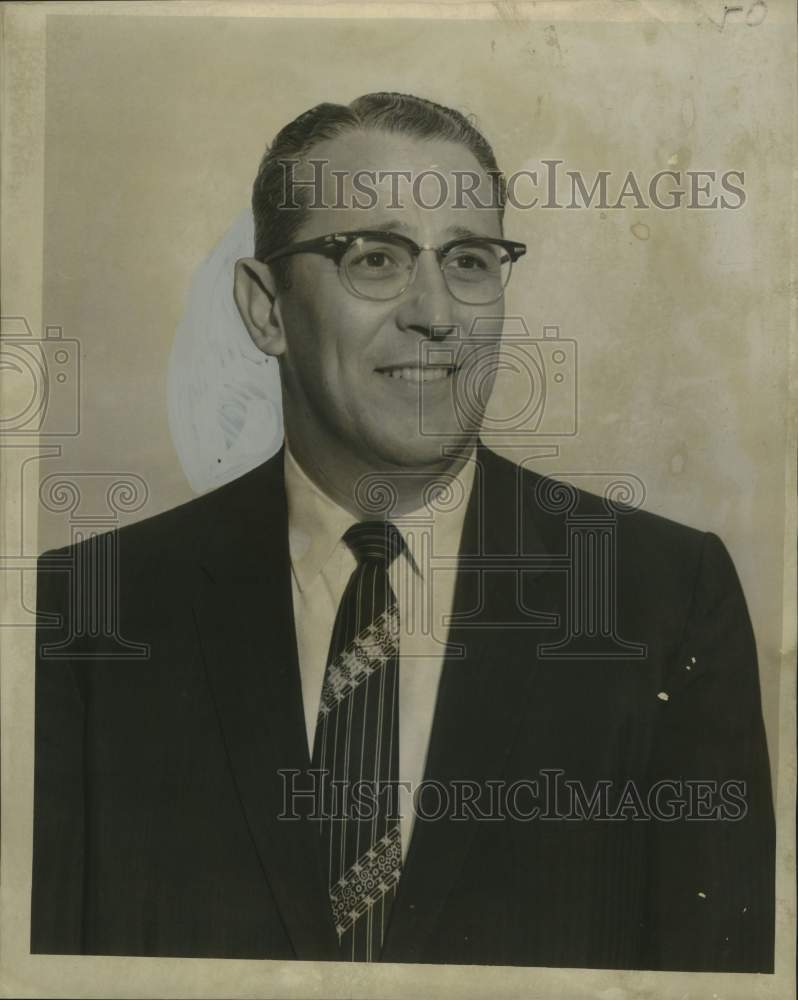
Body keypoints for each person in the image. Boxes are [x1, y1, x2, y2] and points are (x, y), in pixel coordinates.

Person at [31, 92, 775, 970]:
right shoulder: (85, 613)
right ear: (267, 308)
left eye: (467, 260)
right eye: (374, 257)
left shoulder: (663, 596)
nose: (435, 311)